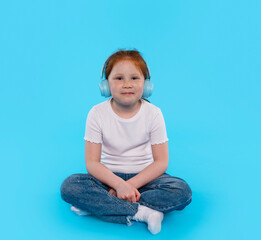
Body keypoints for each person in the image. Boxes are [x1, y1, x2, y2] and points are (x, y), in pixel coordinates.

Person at [60, 49, 192, 235]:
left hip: (145, 179)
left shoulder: (154, 114)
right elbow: (92, 162)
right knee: (70, 186)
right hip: (107, 179)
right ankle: (142, 213)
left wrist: (129, 186)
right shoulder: (96, 113)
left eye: (134, 78)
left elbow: (161, 162)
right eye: (119, 78)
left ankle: (100, 206)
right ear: (105, 85)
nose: (127, 84)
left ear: (146, 85)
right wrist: (117, 184)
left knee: (182, 191)